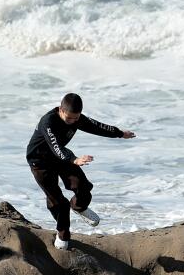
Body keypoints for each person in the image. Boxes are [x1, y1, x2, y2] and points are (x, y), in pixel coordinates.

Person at [26, 92, 136, 250]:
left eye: (76, 118)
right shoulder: (48, 121)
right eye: (69, 118)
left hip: (61, 158)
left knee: (83, 187)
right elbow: (55, 145)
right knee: (58, 202)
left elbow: (97, 126)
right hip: (40, 162)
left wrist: (120, 134)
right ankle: (62, 236)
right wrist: (73, 159)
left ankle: (79, 207)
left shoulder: (76, 119)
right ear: (61, 110)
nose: (72, 122)